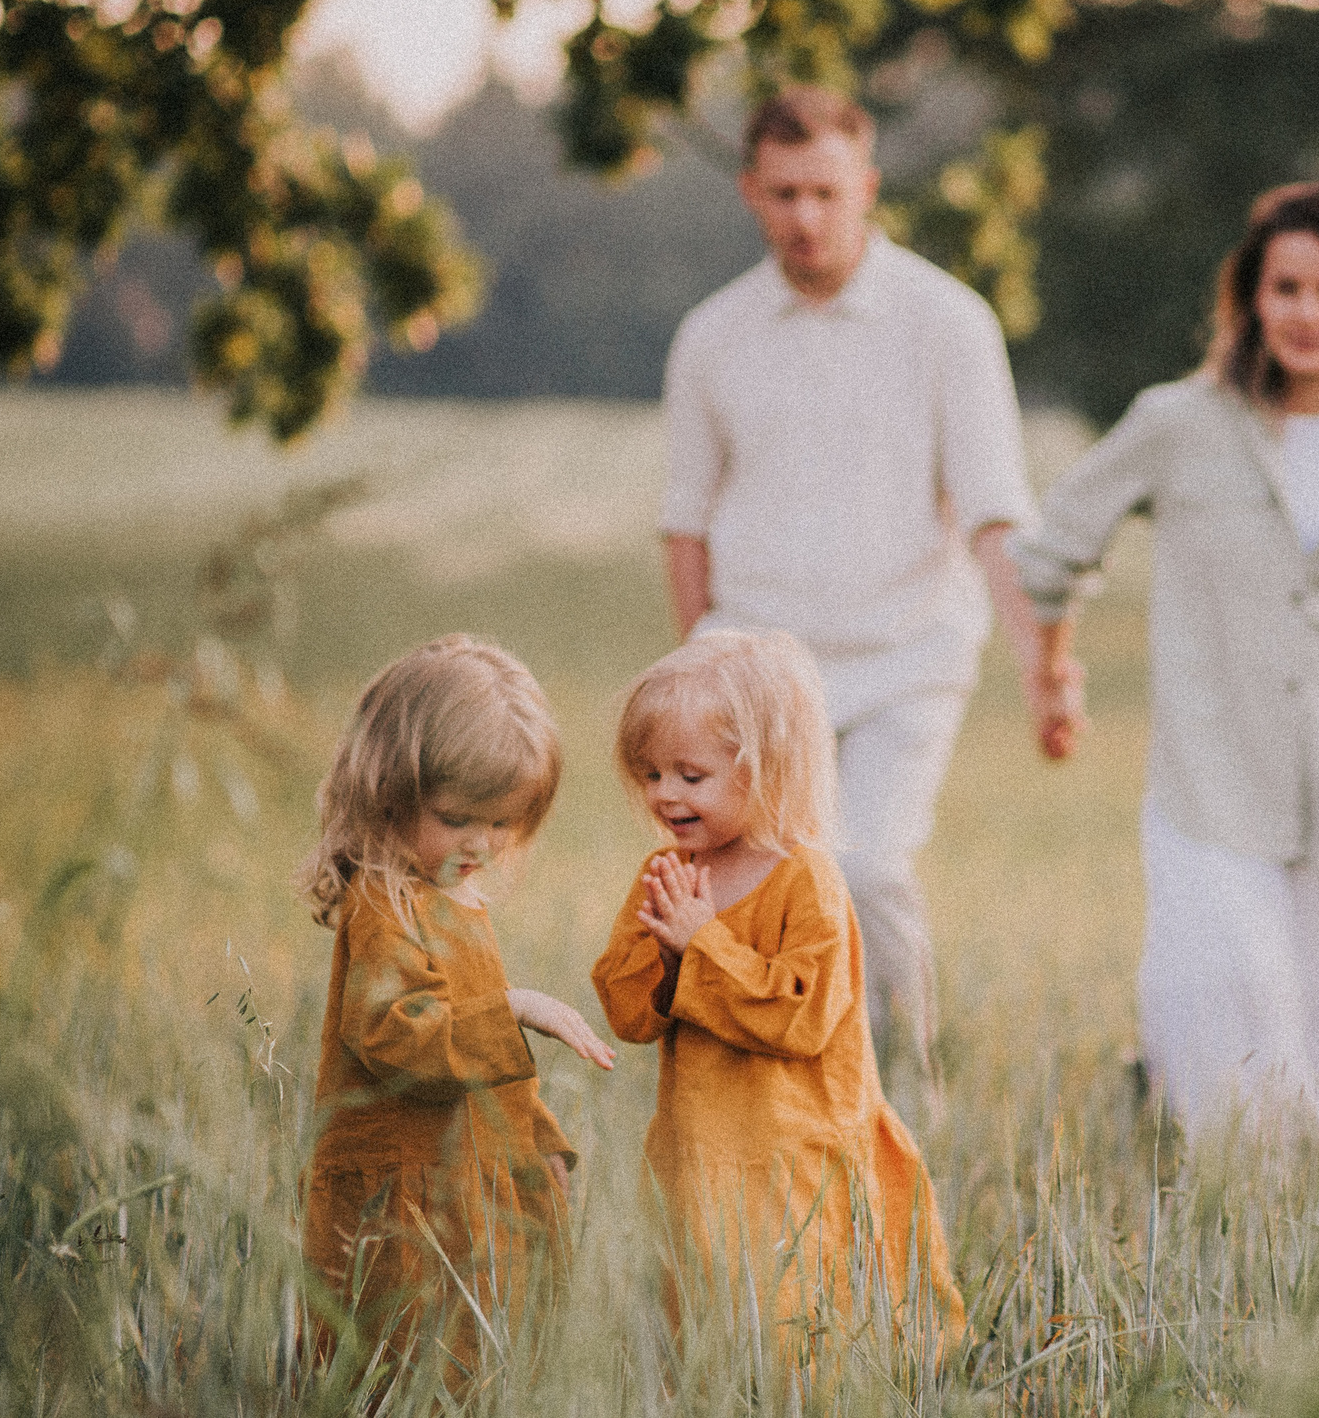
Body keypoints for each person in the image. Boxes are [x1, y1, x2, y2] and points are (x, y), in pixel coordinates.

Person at [1010, 182, 1319, 1133]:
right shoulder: (1177, 423)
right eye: (1286, 288)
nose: (1308, 314)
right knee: (1235, 1040)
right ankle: (1214, 1195)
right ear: (1249, 298)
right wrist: (1054, 676)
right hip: (1214, 790)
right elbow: (1052, 555)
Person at [658, 85, 1075, 1086]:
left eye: (825, 193)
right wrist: (692, 684)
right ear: (751, 192)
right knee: (751, 890)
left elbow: (993, 512)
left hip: (905, 653)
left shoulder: (947, 323)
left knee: (867, 866)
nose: (805, 218)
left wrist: (1043, 669)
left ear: (866, 188)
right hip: (754, 667)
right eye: (784, 194)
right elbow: (686, 525)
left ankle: (901, 1084)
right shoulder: (711, 337)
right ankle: (756, 1087)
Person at [591, 629, 965, 1343]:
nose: (665, 794)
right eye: (650, 774)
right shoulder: (667, 873)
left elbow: (802, 1014)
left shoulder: (806, 877)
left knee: (797, 1319)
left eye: (690, 775)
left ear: (765, 770)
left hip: (794, 1152)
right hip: (698, 1146)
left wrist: (703, 941)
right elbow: (629, 1011)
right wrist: (668, 956)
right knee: (703, 1320)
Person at [296, 635, 616, 1392]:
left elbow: (492, 1080)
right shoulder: (385, 902)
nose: (481, 844)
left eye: (502, 824)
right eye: (457, 817)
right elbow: (394, 1036)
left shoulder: (451, 897)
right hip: (399, 1204)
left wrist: (542, 1145)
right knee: (402, 1367)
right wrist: (513, 1008)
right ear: (387, 791)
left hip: (461, 1189)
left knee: (474, 1364)